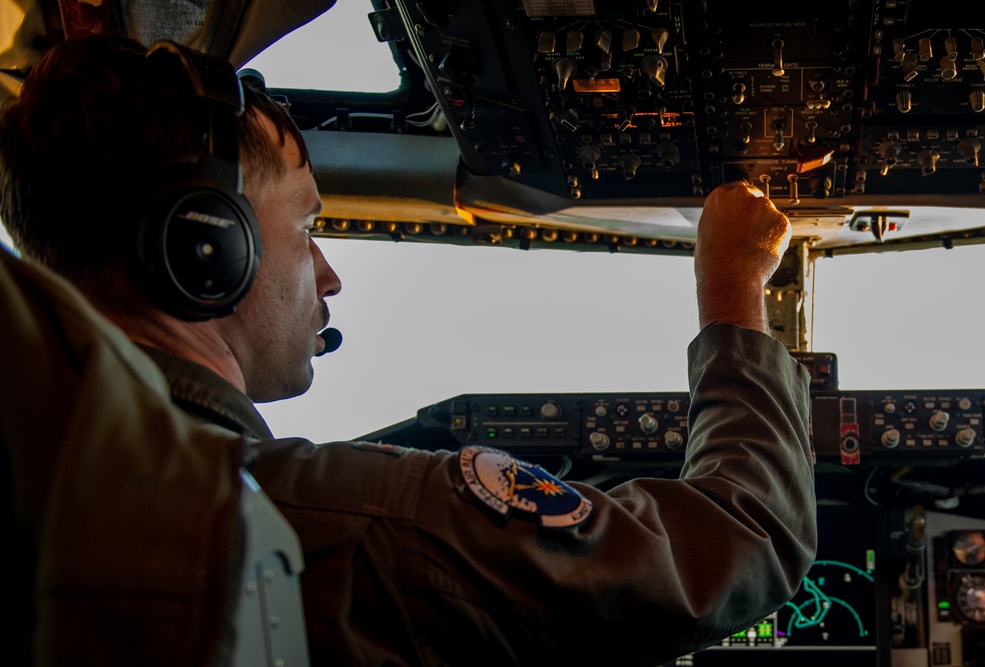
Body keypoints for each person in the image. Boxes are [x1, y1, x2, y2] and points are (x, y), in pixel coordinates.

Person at [0, 36, 816, 666]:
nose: (328, 275)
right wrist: (733, 285)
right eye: (308, 228)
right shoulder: (355, 524)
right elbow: (738, 541)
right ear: (206, 248)